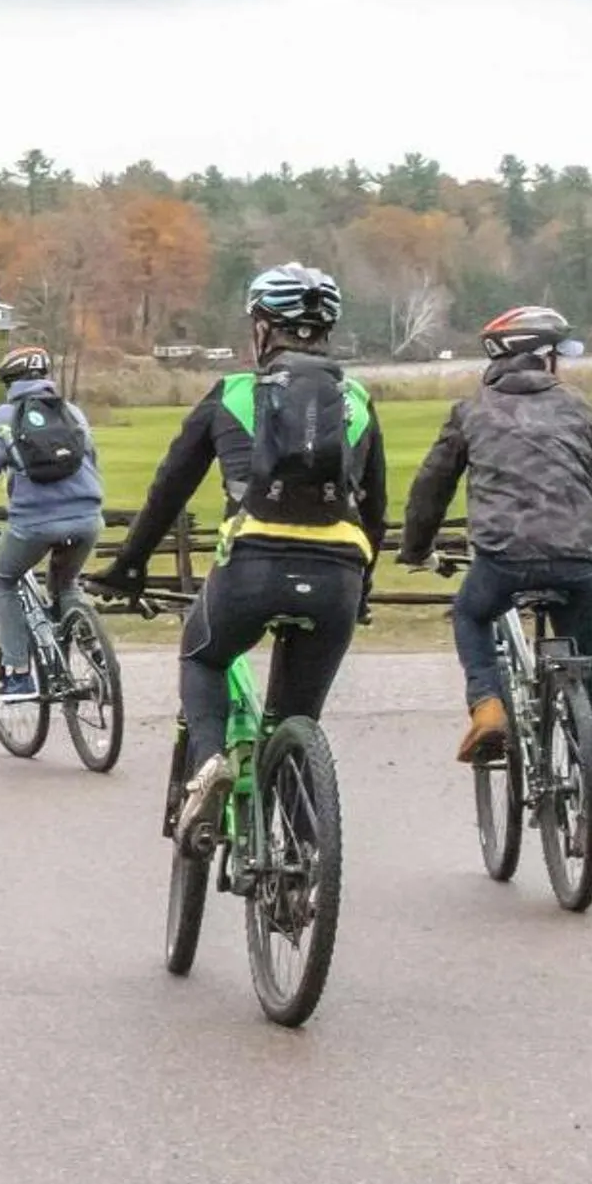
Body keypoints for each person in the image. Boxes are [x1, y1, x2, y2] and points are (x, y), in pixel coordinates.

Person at [97, 264, 388, 844]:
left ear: (261, 329)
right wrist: (362, 587)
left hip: (251, 565)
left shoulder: (231, 393)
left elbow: (168, 490)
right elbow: (374, 509)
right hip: (338, 575)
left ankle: (209, 766)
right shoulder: (355, 400)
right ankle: (301, 873)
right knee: (297, 720)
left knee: (203, 657)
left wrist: (128, 567)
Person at [395, 304, 592, 767]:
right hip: (583, 561)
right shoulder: (581, 406)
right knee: (587, 677)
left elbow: (431, 487)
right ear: (544, 358)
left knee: (470, 613)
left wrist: (416, 549)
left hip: (504, 560)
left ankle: (487, 705)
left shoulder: (471, 411)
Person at [0, 344, 105, 700]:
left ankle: (17, 672)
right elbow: (92, 463)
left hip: (34, 523)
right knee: (65, 583)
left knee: (3, 579)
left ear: (9, 382)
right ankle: (97, 655)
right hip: (88, 518)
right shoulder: (73, 412)